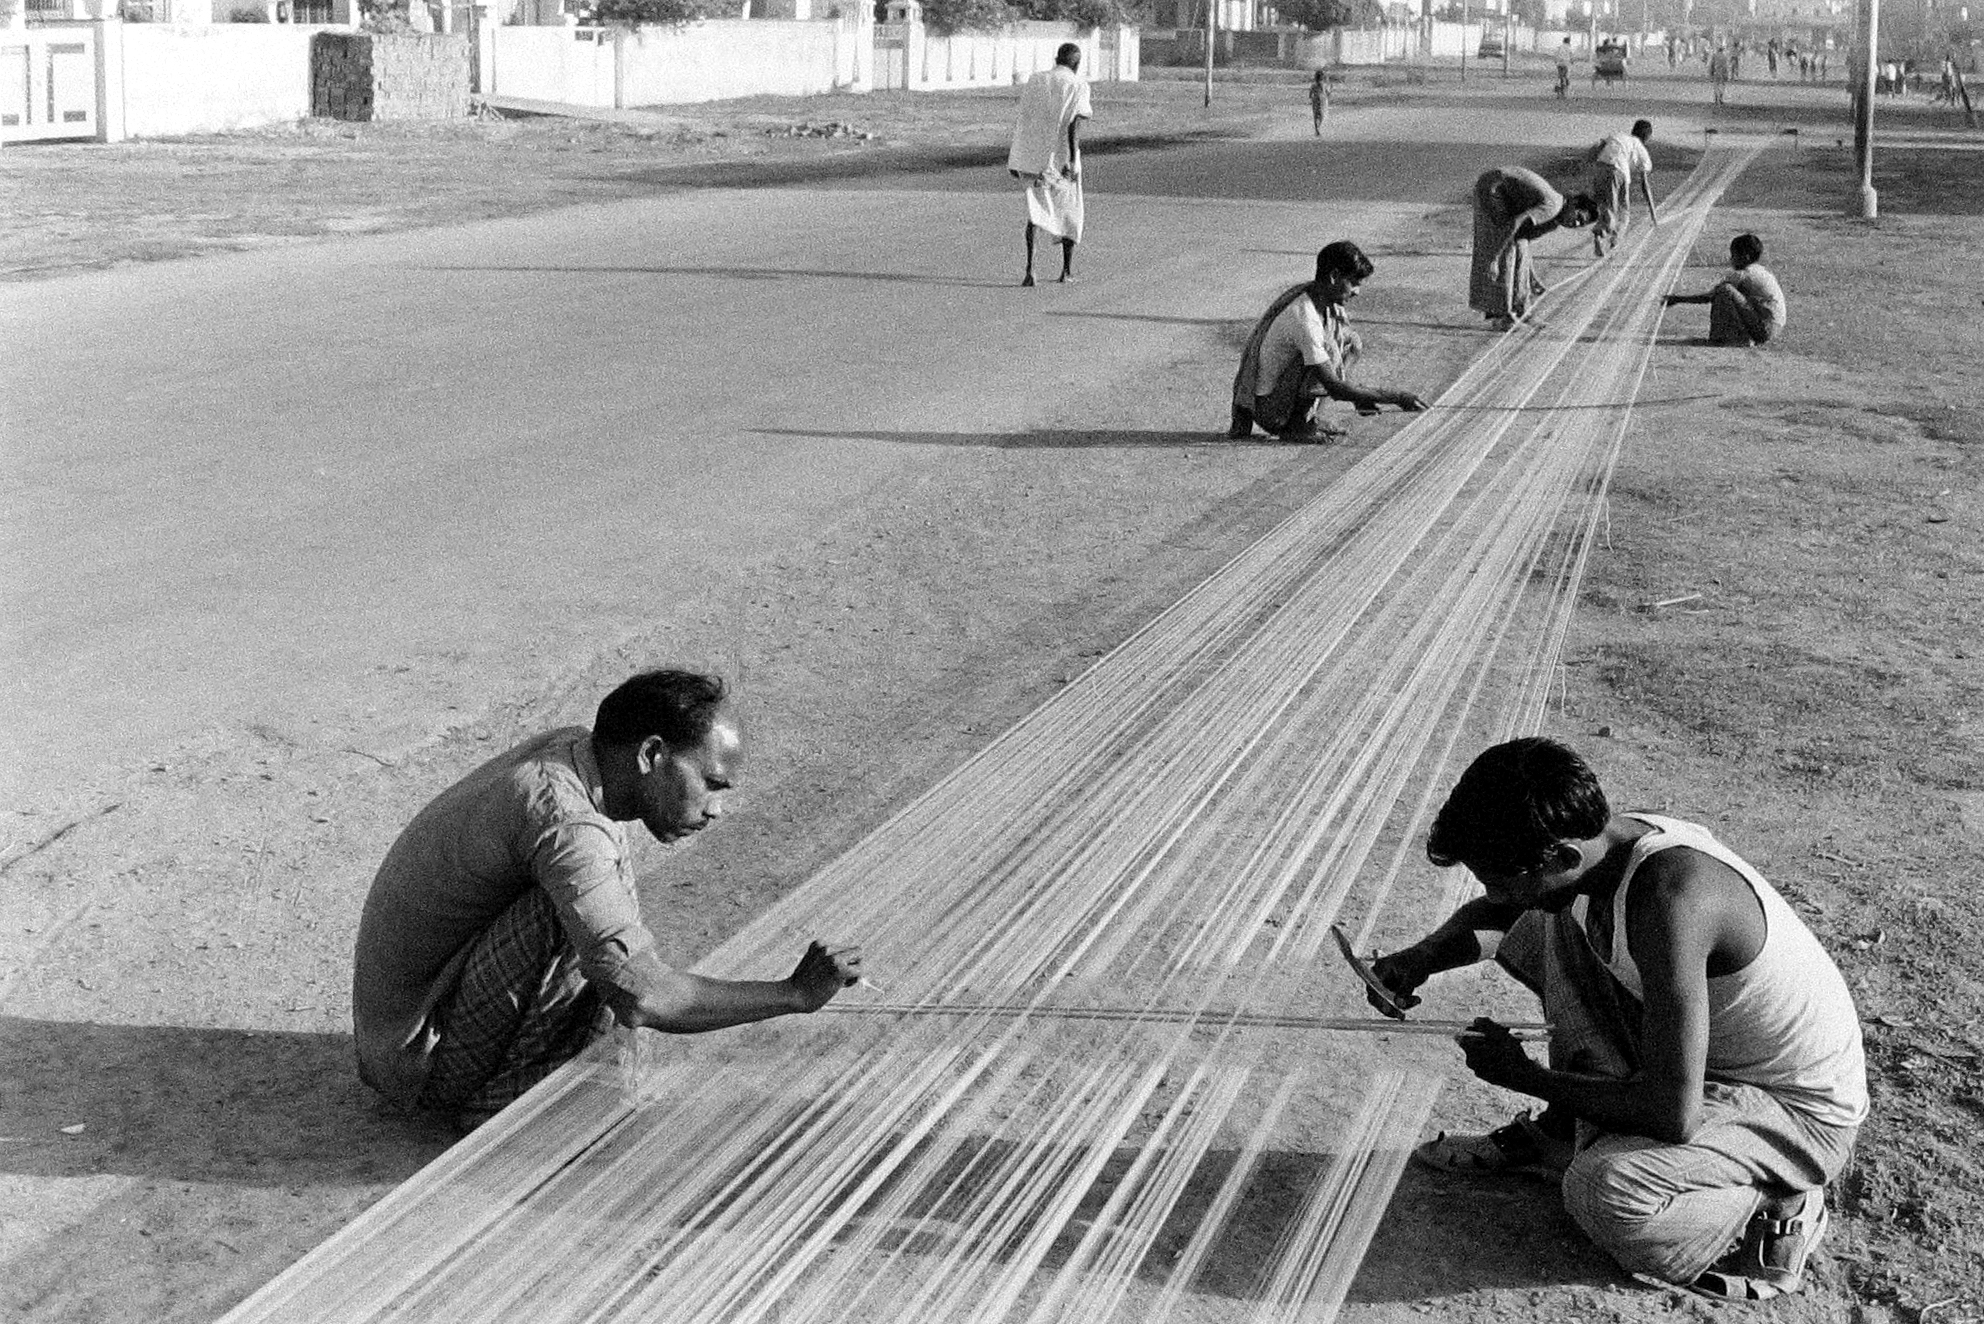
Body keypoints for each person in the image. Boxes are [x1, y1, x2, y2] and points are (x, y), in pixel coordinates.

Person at [1364, 738, 1867, 1301]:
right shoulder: (1606, 851)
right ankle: (1563, 1130)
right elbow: (1500, 914)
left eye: (1501, 879)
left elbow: (1671, 1115)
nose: (1491, 893)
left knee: (1603, 1190)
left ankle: (1776, 1194)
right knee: (1540, 924)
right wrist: (1423, 957)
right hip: (1713, 1069)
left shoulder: (1671, 899)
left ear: (1563, 857)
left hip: (1794, 1111)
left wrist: (1523, 1075)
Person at [352, 669, 864, 1130]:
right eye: (710, 784)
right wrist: (792, 995)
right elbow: (643, 994)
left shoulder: (578, 755)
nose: (717, 810)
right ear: (650, 755)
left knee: (603, 905)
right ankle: (487, 1103)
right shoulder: (570, 825)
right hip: (419, 1057)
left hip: (408, 1019)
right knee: (581, 920)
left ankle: (544, 1077)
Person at [1228, 240, 1429, 442]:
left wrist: (1360, 398)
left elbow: (1346, 350)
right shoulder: (1304, 317)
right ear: (1334, 277)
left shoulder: (1321, 299)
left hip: (1282, 396)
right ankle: (1297, 427)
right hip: (1271, 410)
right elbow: (1334, 387)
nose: (1357, 291)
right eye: (1353, 283)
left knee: (1352, 341)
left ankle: (1313, 417)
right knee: (1325, 350)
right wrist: (1397, 397)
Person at [1469, 166, 1597, 330]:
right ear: (1572, 202)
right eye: (1578, 216)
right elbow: (1515, 224)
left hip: (1506, 193)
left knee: (1518, 246)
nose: (1575, 223)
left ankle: (1522, 310)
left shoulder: (1554, 221)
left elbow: (1523, 239)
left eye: (1580, 224)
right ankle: (1502, 316)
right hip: (1493, 188)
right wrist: (1494, 258)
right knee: (1506, 250)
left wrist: (1532, 276)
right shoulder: (1553, 207)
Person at [1007, 43, 1092, 287]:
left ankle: (1030, 270)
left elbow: (1024, 120)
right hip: (1062, 157)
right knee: (1069, 211)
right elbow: (1074, 125)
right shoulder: (1078, 85)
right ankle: (1066, 271)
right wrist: (1073, 160)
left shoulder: (1036, 80)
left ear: (1056, 59)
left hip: (1033, 156)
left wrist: (1016, 157)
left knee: (1036, 211)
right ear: (1076, 64)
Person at [1663, 232, 1787, 345]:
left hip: (1765, 327)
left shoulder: (1744, 273)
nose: (1731, 259)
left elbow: (1709, 297)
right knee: (1728, 294)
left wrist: (1677, 299)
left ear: (1746, 257)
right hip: (1773, 328)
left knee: (1724, 290)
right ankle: (1738, 336)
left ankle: (1729, 339)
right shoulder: (1761, 271)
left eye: (1734, 255)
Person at [1587, 119, 1659, 257]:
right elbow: (1645, 185)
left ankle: (1600, 235)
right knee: (1623, 213)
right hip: (1618, 172)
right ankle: (1612, 241)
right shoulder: (1639, 146)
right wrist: (1653, 213)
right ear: (1647, 137)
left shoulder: (1617, 136)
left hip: (1600, 170)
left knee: (1605, 208)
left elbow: (1597, 148)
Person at [1308, 69, 1329, 135]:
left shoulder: (1313, 85)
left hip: (1315, 100)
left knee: (1315, 115)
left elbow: (1310, 94)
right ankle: (1318, 128)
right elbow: (1326, 93)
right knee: (1321, 115)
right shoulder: (1323, 85)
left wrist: (1311, 99)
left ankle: (1316, 129)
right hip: (1322, 99)